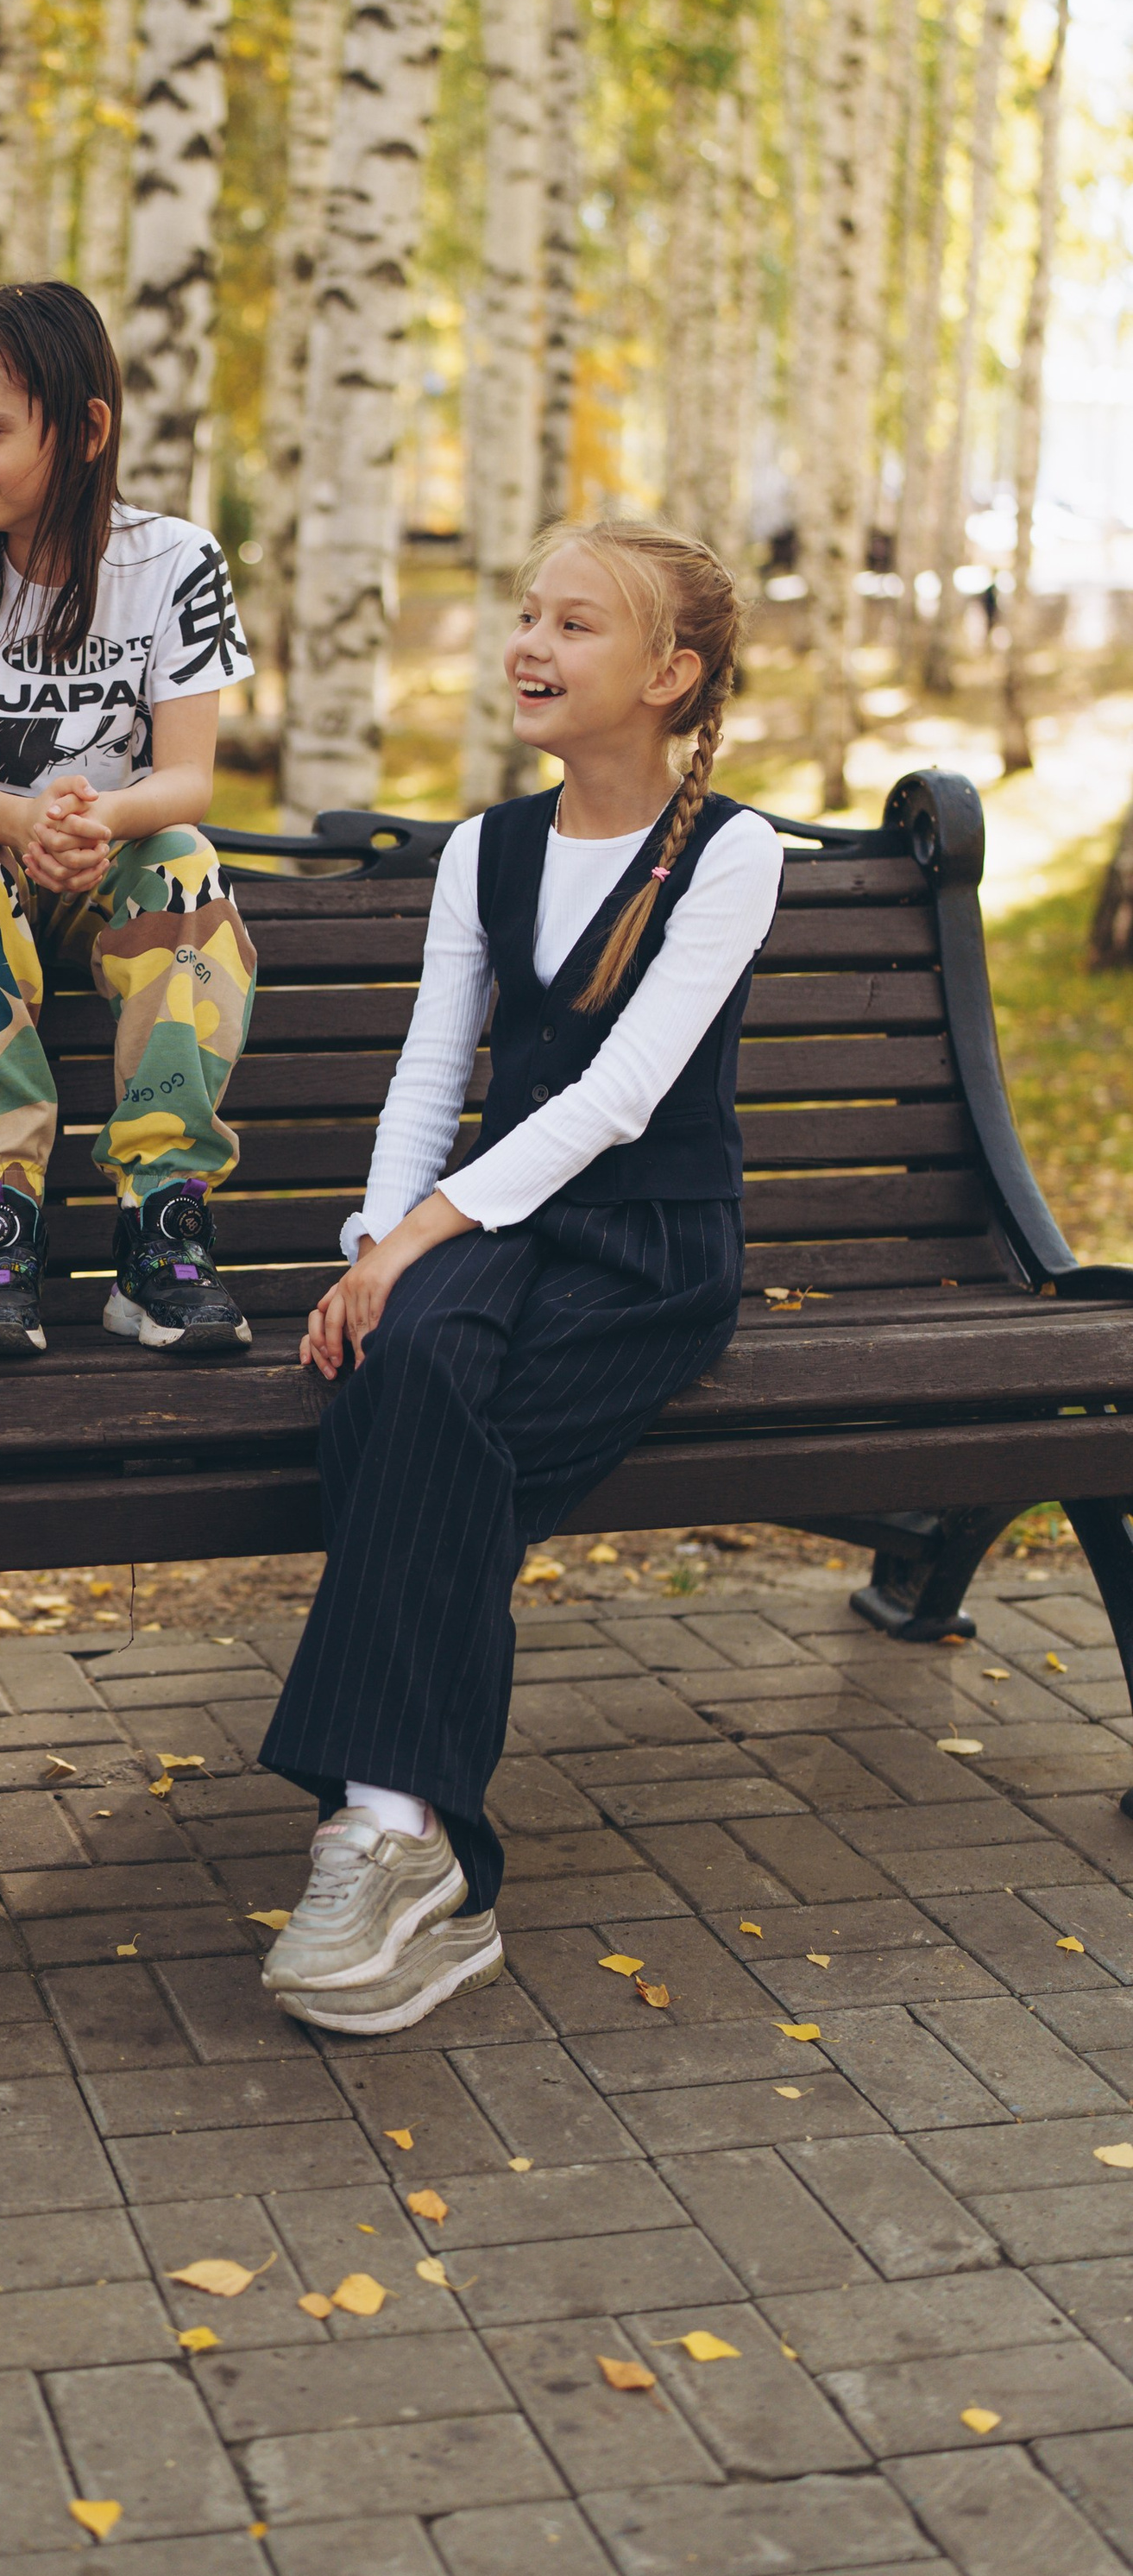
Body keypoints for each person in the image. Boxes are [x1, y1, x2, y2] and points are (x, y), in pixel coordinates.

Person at [256, 519, 784, 2036]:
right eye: (526, 614)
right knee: (402, 1375)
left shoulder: (729, 853)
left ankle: (392, 1832)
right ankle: (415, 1847)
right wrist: (374, 1247)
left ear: (672, 676)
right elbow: (432, 1073)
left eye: (576, 627)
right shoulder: (485, 847)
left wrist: (418, 1239)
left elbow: (619, 1099)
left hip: (648, 1245)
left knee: (419, 1430)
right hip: (496, 1221)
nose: (530, 648)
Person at [0, 281, 260, 1358]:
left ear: (83, 430)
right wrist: (25, 821)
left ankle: (162, 1232)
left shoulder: (175, 563)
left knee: (185, 866)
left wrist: (104, 817)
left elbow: (185, 782)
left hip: (102, 846)